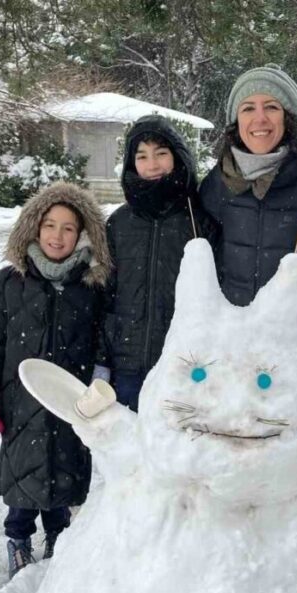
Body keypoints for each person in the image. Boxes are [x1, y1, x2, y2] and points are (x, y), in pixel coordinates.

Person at [0, 181, 111, 578]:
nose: (57, 236)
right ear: (34, 227)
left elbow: (104, 338)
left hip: (68, 400)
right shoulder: (9, 283)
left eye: (68, 227)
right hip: (19, 402)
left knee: (63, 472)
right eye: (50, 225)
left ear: (82, 234)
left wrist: (100, 375)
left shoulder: (91, 287)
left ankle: (58, 538)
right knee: (22, 475)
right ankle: (17, 539)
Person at [200, 64, 297, 417]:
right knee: (239, 446)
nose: (260, 118)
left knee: (296, 455)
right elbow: (203, 251)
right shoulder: (217, 183)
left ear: (289, 118)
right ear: (235, 121)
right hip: (238, 341)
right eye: (248, 108)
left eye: (271, 107)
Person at [102, 115, 215, 411]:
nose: (152, 164)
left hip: (184, 366)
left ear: (178, 157)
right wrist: (104, 357)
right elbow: (105, 295)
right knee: (129, 450)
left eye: (161, 153)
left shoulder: (198, 220)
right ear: (131, 163)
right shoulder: (119, 223)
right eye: (142, 156)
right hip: (127, 365)